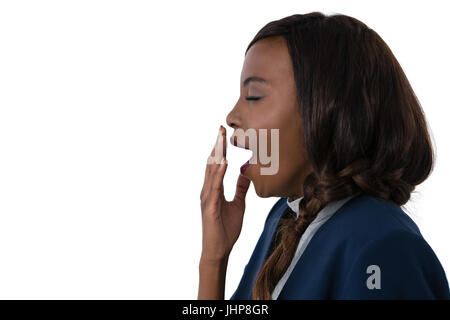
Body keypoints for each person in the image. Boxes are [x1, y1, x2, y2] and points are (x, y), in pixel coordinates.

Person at [198, 12, 450, 300]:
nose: (232, 116)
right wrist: (213, 258)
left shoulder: (383, 247)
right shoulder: (285, 216)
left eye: (253, 96)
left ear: (326, 111)